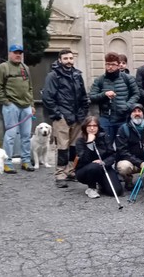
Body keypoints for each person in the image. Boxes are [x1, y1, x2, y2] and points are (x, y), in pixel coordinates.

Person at [41, 49, 90, 188]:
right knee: (62, 147)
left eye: (70, 58)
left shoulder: (77, 75)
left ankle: (71, 170)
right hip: (62, 117)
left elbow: (83, 96)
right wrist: (57, 114)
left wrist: (83, 112)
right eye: (65, 58)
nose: (69, 61)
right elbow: (47, 97)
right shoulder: (53, 75)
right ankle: (60, 174)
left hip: (77, 117)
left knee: (74, 147)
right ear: (60, 60)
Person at [0, 44, 35, 173]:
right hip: (12, 106)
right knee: (10, 135)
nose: (18, 55)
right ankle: (7, 162)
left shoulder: (25, 68)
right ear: (10, 54)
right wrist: (6, 102)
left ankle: (26, 161)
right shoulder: (3, 67)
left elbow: (30, 87)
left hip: (26, 106)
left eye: (20, 53)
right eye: (15, 52)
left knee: (26, 135)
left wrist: (32, 104)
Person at [89, 52, 140, 146]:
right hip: (106, 118)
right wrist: (104, 94)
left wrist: (127, 105)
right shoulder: (99, 80)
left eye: (113, 64)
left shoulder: (128, 79)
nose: (110, 67)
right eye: (108, 64)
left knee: (124, 145)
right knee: (105, 145)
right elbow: (92, 97)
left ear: (118, 65)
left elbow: (136, 94)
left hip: (123, 118)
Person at [75, 116, 123, 199]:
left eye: (95, 126)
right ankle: (91, 188)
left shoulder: (104, 137)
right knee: (94, 166)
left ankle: (101, 183)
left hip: (103, 166)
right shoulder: (80, 140)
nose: (92, 128)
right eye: (89, 126)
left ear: (98, 127)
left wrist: (104, 162)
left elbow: (112, 155)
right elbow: (84, 160)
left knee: (116, 191)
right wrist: (89, 143)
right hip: (85, 170)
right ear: (85, 127)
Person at [115, 104, 144, 190]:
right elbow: (122, 151)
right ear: (130, 114)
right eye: (134, 111)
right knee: (123, 167)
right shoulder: (123, 129)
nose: (137, 113)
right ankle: (128, 181)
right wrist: (139, 163)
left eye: (139, 111)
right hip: (130, 162)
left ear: (143, 114)